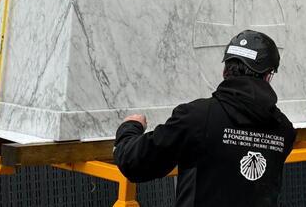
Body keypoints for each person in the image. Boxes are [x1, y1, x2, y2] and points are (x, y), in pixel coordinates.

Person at [114, 30, 296, 207]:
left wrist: (130, 127)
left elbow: (135, 163)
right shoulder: (284, 130)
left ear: (225, 71)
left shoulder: (196, 118)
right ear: (267, 76)